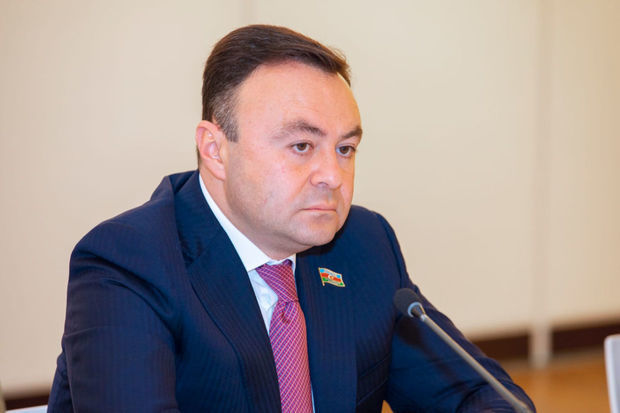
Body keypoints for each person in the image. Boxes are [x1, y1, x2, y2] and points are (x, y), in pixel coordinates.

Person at [48, 24, 535, 412]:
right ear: (215, 150)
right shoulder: (128, 263)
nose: (333, 176)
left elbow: (482, 396)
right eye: (302, 146)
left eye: (345, 149)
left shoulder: (363, 244)